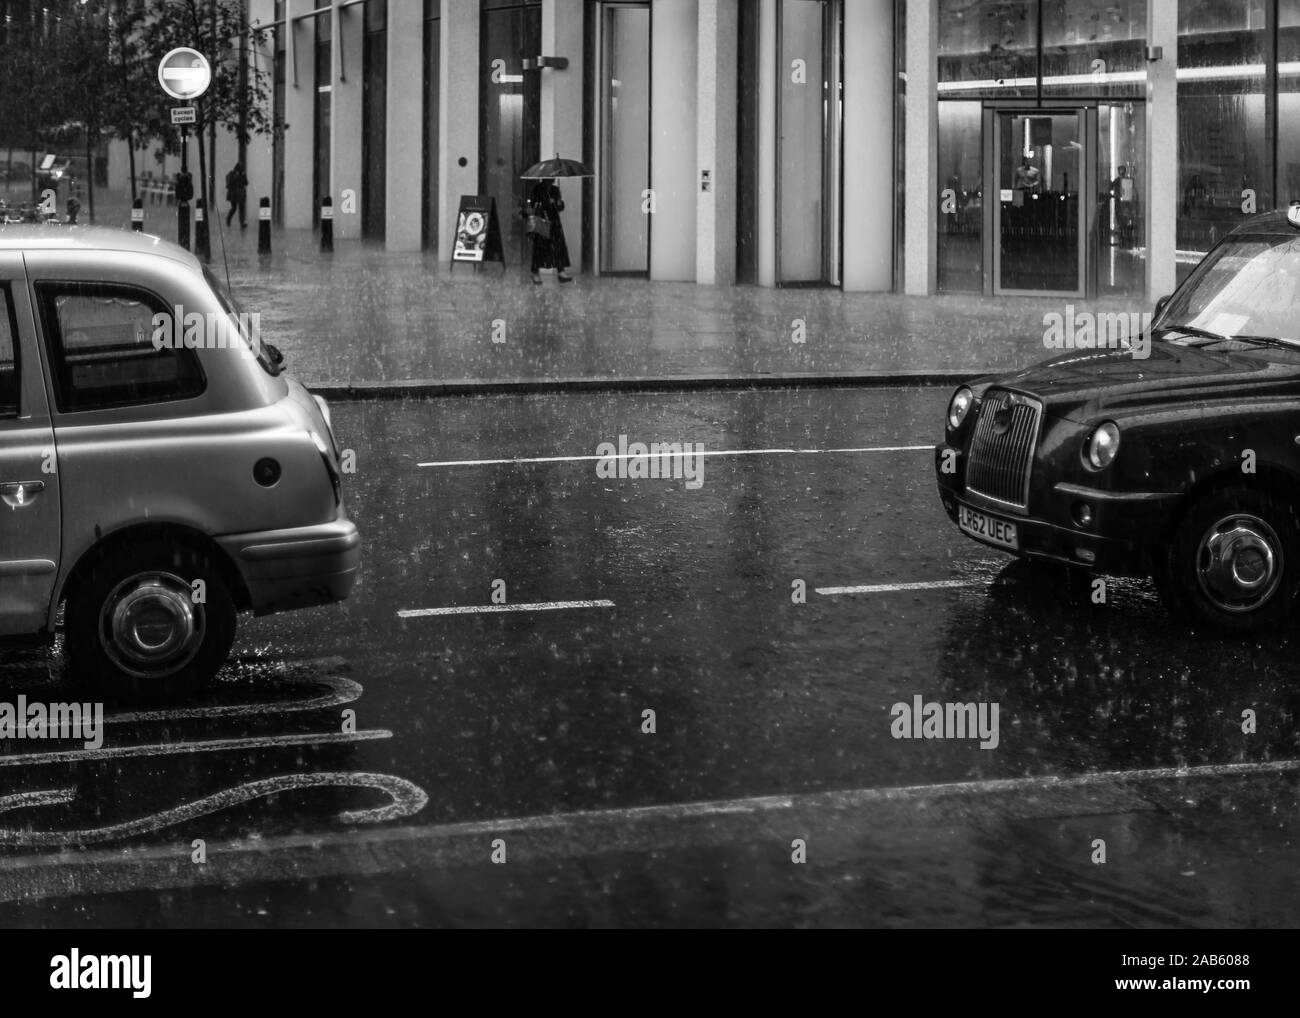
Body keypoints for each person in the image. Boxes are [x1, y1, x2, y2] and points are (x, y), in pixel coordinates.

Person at [524, 178, 572, 284]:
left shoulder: (555, 190)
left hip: (554, 221)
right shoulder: (537, 188)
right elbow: (533, 204)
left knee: (558, 246)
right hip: (542, 220)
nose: (552, 179)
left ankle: (561, 271)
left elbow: (560, 207)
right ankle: (535, 272)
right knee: (540, 247)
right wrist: (545, 202)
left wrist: (558, 203)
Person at [224, 161, 248, 228]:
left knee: (236, 208)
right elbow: (245, 183)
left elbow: (245, 183)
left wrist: (243, 176)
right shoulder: (234, 174)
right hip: (236, 194)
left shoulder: (238, 174)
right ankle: (232, 221)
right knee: (237, 208)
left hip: (236, 194)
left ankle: (239, 223)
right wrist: (240, 176)